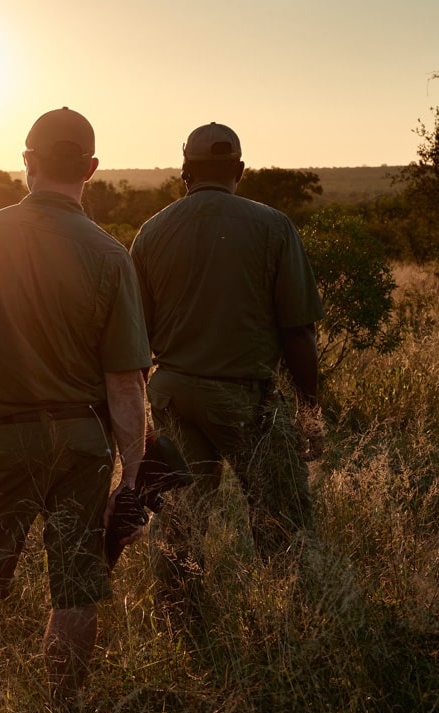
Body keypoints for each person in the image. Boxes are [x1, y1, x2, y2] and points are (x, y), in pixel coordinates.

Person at [0, 107, 152, 713]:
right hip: (83, 441)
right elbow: (126, 384)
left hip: (5, 436)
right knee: (76, 587)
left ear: (29, 161)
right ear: (92, 170)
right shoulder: (110, 254)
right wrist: (134, 471)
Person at [129, 122, 326, 625]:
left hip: (171, 392)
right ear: (240, 170)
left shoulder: (151, 232)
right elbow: (298, 333)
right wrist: (311, 413)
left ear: (184, 172)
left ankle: (181, 626)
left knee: (180, 520)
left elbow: (135, 340)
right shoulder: (273, 226)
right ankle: (292, 625)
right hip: (245, 398)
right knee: (283, 520)